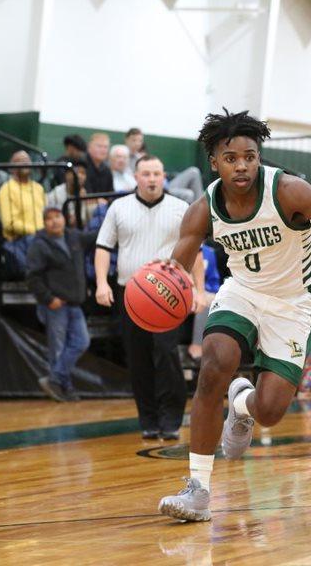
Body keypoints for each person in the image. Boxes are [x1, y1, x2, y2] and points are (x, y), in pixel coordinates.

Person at [156, 108, 311, 522]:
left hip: (294, 301)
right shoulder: (202, 209)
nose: (242, 165)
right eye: (231, 158)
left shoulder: (287, 191)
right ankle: (198, 489)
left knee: (269, 411)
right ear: (214, 163)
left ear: (258, 158)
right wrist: (157, 288)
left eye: (249, 157)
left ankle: (242, 404)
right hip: (243, 292)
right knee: (215, 362)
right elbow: (175, 270)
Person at [94, 155, 207, 441]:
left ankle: (171, 418)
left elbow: (196, 251)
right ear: (136, 177)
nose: (152, 179)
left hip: (168, 294)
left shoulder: (180, 208)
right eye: (146, 174)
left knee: (166, 353)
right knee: (138, 357)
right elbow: (103, 247)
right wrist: (101, 283)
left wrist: (199, 289)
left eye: (157, 173)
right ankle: (148, 419)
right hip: (130, 293)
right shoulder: (119, 207)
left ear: (164, 176)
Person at [26, 206, 97, 401]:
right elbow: (32, 277)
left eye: (57, 216)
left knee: (81, 342)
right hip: (55, 305)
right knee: (57, 349)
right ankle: (65, 388)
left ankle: (55, 379)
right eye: (49, 219)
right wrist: (48, 299)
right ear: (44, 223)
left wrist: (113, 223)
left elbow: (95, 237)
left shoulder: (74, 237)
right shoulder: (39, 245)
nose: (54, 221)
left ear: (64, 218)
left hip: (74, 303)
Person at [0, 150, 46, 274]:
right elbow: (9, 224)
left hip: (41, 237)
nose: (25, 163)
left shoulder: (38, 188)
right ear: (12, 168)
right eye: (20, 161)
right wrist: (36, 231)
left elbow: (46, 215)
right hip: (19, 240)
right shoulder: (7, 189)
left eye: (27, 160)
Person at [46, 159, 101, 227]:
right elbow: (70, 223)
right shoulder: (56, 194)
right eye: (76, 172)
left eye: (83, 173)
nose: (80, 176)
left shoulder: (83, 192)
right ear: (66, 175)